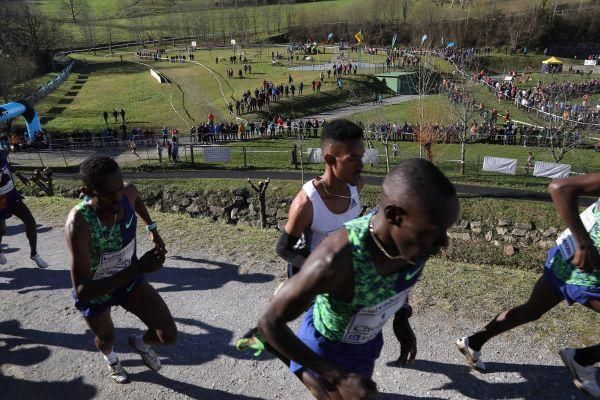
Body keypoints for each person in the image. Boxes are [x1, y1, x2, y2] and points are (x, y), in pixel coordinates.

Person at [257, 159, 459, 399]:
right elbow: (269, 323)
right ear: (394, 216)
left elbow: (396, 286)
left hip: (365, 344)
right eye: (434, 230)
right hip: (326, 343)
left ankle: (294, 360)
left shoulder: (414, 245)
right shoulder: (336, 259)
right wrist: (337, 376)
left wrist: (402, 318)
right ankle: (286, 353)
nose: (444, 242)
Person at [456, 173, 600, 398]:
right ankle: (582, 359)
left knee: (530, 311)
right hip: (583, 271)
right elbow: (559, 188)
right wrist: (584, 244)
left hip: (565, 260)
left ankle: (473, 342)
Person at [65, 155, 177, 383]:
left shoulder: (126, 194)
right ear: (87, 191)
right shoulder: (79, 223)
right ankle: (112, 361)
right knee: (106, 337)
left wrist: (152, 229)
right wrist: (137, 269)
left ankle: (140, 343)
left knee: (168, 334)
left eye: (119, 188)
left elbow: (135, 199)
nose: (117, 198)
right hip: (98, 289)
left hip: (129, 279)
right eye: (107, 194)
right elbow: (83, 290)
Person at [0, 149, 48, 268]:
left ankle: (34, 254)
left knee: (30, 222)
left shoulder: (1, 154)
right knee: (1, 230)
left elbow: (7, 165)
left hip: (12, 196)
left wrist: (20, 176)